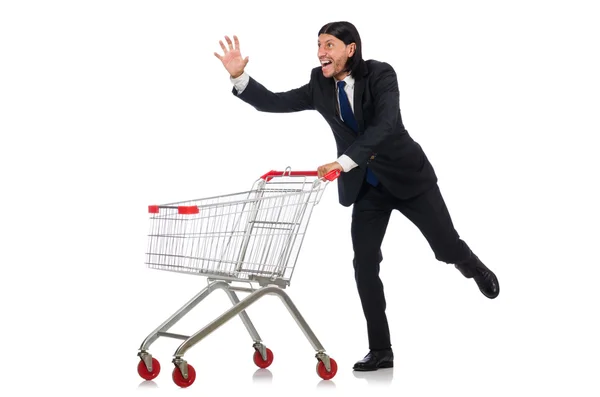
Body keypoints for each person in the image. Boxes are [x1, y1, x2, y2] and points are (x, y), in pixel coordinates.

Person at [214, 21, 499, 372]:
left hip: (409, 178)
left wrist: (343, 161)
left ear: (351, 49)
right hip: (367, 187)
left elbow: (386, 125)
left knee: (445, 248)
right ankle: (380, 350)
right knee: (364, 265)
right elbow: (275, 101)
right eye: (318, 44)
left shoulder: (381, 75)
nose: (321, 52)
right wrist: (240, 78)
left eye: (329, 45)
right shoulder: (320, 82)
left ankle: (471, 265)